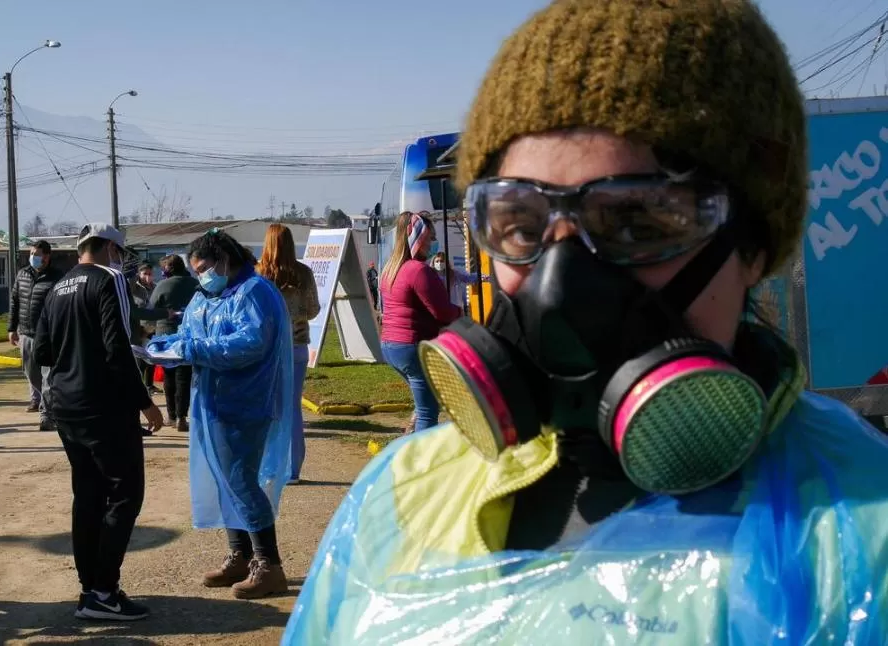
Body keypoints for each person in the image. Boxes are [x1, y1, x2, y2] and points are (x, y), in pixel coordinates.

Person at [283, 1, 888, 643]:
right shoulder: (400, 495)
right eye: (519, 224)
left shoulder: (862, 532)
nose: (560, 283)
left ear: (756, 244)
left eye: (637, 222)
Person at [147, 229, 293, 600]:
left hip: (246, 401)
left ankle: (269, 564)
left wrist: (194, 348)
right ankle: (241, 555)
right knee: (223, 480)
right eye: (196, 271)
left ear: (225, 260)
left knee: (241, 479)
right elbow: (188, 333)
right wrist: (162, 346)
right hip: (211, 402)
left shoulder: (254, 292)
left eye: (204, 268)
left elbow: (251, 343)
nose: (201, 276)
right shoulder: (206, 296)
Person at [34, 223, 164, 621]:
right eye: (121, 254)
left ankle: (90, 588)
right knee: (126, 494)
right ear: (111, 249)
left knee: (88, 495)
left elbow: (41, 350)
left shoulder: (59, 286)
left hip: (65, 405)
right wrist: (145, 403)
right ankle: (104, 591)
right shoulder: (110, 279)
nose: (122, 261)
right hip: (103, 406)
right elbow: (117, 347)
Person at [379, 211, 460, 433]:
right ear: (419, 238)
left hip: (390, 345)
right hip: (413, 346)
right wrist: (461, 313)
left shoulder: (390, 269)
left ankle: (408, 439)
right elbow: (442, 313)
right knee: (428, 410)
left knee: (424, 399)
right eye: (431, 237)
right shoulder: (419, 271)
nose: (434, 243)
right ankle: (419, 461)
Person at [257, 223, 320, 484]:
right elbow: (314, 308)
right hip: (296, 347)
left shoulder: (258, 274)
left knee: (268, 408)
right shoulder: (303, 273)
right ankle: (294, 470)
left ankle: (271, 467)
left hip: (267, 350)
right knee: (292, 408)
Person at [8, 240, 63, 431]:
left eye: (37, 254)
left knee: (47, 375)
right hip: (26, 333)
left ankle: (47, 415)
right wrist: (11, 328)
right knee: (31, 374)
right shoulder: (23, 274)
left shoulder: (57, 277)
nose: (33, 257)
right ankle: (41, 400)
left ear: (47, 256)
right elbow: (15, 302)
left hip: (47, 335)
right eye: (32, 253)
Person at [148, 254, 199, 433]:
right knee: (184, 376)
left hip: (165, 334)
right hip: (188, 334)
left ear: (166, 270)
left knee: (169, 376)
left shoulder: (162, 285)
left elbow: (151, 307)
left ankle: (171, 415)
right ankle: (182, 417)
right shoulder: (194, 284)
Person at [129, 262, 164, 396]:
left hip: (153, 327)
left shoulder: (155, 287)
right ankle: (139, 386)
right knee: (139, 359)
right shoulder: (134, 289)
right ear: (139, 274)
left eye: (150, 274)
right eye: (145, 274)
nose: (148, 277)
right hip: (139, 328)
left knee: (151, 358)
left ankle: (149, 385)